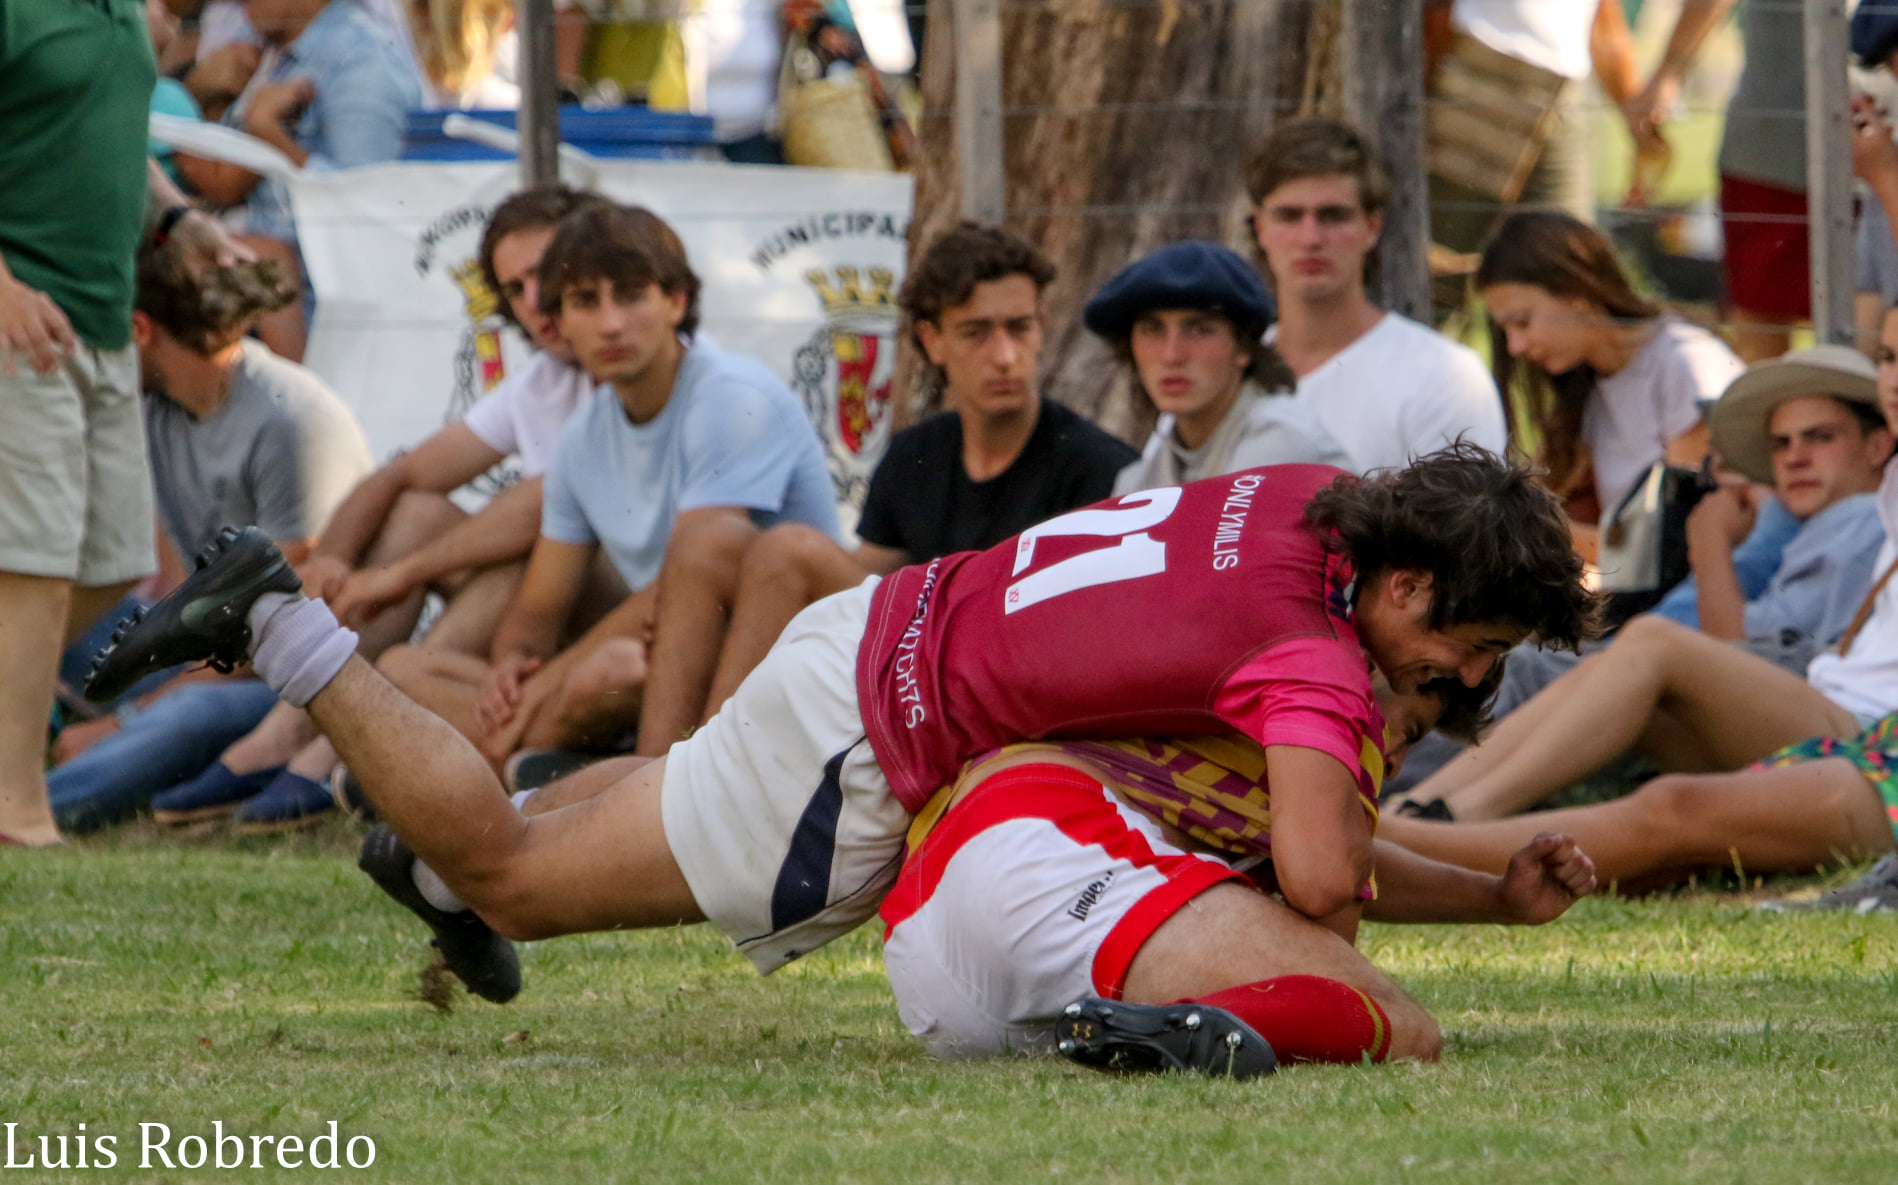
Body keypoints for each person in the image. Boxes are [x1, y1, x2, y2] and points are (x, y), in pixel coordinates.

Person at [86, 445, 1597, 1007]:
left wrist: (1483, 884)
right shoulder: (1314, 659)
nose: (1460, 683)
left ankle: (422, 872)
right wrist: (1487, 896)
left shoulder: (1302, 489)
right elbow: (1322, 880)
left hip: (876, 632)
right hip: (872, 745)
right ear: (1402, 580)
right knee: (523, 882)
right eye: (1462, 648)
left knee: (656, 794)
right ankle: (278, 624)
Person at [1370, 309, 1898, 892]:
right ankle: (1418, 811)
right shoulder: (1839, 520)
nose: (1795, 456)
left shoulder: (1856, 522)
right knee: (1590, 673)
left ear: (1876, 446)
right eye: (1781, 443)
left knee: (1635, 659)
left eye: (1819, 438)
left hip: (1853, 722)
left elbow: (1742, 644)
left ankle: (1425, 825)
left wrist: (1710, 543)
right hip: (1828, 713)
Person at [143, 184, 607, 829]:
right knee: (418, 511)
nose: (536, 303)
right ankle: (293, 737)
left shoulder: (627, 374)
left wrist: (391, 576)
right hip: (527, 625)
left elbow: (557, 502)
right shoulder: (546, 381)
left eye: (549, 277)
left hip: (605, 624)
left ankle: (346, 744)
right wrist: (332, 561)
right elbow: (403, 474)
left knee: (519, 540)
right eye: (517, 287)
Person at [882, 676, 1596, 1074]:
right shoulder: (1320, 683)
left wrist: (1495, 898)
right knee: (1402, 1025)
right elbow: (1328, 902)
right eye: (1404, 730)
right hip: (1045, 849)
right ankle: (1193, 1031)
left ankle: (1154, 1027)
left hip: (935, 953)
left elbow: (1343, 864)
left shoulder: (1247, 635)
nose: (1397, 760)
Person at [628, 221, 1134, 757]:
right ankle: (657, 766)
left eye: (1019, 328)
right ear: (931, 340)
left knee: (789, 550)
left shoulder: (1098, 467)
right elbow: (862, 578)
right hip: (905, 665)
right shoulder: (917, 451)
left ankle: (705, 773)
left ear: (1042, 329)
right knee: (711, 541)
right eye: (977, 333)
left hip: (1004, 681)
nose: (1005, 356)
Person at [375, 201, 840, 770]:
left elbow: (688, 580)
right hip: (663, 664)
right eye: (585, 302)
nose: (611, 323)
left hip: (771, 657)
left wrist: (541, 693)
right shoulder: (584, 436)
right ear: (560, 321)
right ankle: (539, 763)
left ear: (677, 301)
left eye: (630, 295)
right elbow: (540, 608)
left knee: (611, 671)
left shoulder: (732, 397)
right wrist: (514, 666)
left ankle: (531, 767)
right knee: (403, 670)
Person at [0, 0, 249, 847]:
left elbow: (99, 135)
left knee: (112, 562)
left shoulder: (125, 11)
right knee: (32, 565)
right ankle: (18, 812)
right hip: (18, 323)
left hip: (103, 323)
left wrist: (178, 219)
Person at [48, 244, 371, 834]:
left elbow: (281, 631)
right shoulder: (156, 405)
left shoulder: (291, 420)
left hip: (284, 679)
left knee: (189, 713)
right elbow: (179, 590)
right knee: (37, 605)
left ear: (140, 328)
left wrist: (126, 718)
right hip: (202, 654)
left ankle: (34, 809)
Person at [1245, 118, 1507, 475]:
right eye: (1289, 216)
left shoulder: (1443, 378)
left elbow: (1466, 528)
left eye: (1333, 215)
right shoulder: (1227, 371)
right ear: (1261, 228)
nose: (1310, 238)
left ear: (1372, 227)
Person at [1477, 210, 1743, 554]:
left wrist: (1541, 530)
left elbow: (1676, 538)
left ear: (1575, 292)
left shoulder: (1686, 364)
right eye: (1506, 331)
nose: (1516, 346)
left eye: (1523, 322)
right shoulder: (1584, 387)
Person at [175, 0, 426, 360]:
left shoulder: (361, 62)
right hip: (248, 285)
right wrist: (202, 89)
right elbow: (222, 177)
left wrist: (270, 134)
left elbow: (371, 211)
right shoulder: (260, 47)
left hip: (316, 317)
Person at [1080, 240, 1350, 495]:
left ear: (1243, 347)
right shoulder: (1141, 478)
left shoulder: (1281, 445)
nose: (1172, 355)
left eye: (1199, 330)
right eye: (1152, 330)